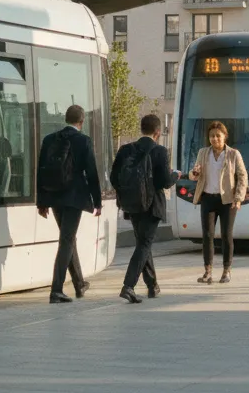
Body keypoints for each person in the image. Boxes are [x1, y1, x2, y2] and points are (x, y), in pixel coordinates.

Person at [36, 105, 103, 304]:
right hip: (74, 198)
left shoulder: (49, 139)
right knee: (66, 240)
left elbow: (41, 171)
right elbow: (91, 173)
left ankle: (79, 284)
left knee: (68, 237)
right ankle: (56, 290)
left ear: (65, 119)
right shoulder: (83, 141)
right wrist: (97, 201)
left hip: (54, 196)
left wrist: (41, 201)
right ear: (81, 122)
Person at [111, 113, 180, 304]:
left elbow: (114, 178)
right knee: (144, 244)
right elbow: (165, 182)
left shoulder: (126, 150)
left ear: (141, 129)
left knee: (143, 243)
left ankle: (152, 285)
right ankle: (128, 286)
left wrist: (128, 193)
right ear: (158, 132)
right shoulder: (159, 151)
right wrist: (177, 175)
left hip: (132, 205)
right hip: (152, 206)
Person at [189, 121, 248, 284]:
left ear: (224, 137)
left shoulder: (233, 154)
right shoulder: (203, 153)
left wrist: (238, 198)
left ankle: (226, 270)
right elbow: (193, 174)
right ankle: (208, 271)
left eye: (218, 136)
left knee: (226, 235)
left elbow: (242, 176)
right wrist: (194, 173)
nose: (214, 139)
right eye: (211, 136)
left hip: (227, 200)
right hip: (208, 198)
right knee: (207, 235)